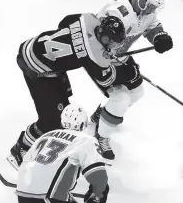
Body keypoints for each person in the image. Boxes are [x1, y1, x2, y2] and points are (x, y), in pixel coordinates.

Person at [8, 12, 129, 169]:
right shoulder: (95, 55)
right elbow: (106, 80)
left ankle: (49, 146)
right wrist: (113, 61)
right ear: (105, 37)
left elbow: (64, 22)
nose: (113, 46)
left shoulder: (88, 19)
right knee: (50, 120)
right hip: (36, 69)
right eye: (112, 43)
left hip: (33, 48)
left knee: (64, 110)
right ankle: (20, 150)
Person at [88, 0, 174, 160]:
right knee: (121, 99)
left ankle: (102, 115)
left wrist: (159, 37)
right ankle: (101, 136)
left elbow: (152, 26)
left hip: (119, 56)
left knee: (136, 94)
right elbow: (94, 42)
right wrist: (113, 64)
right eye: (150, 6)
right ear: (142, 0)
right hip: (98, 60)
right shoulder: (116, 13)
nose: (152, 11)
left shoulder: (146, 12)